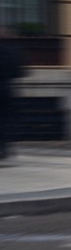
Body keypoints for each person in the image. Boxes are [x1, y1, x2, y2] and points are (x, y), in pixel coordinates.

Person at [0, 29, 24, 161]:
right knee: (5, 119)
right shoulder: (12, 50)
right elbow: (19, 72)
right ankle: (3, 147)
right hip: (6, 88)